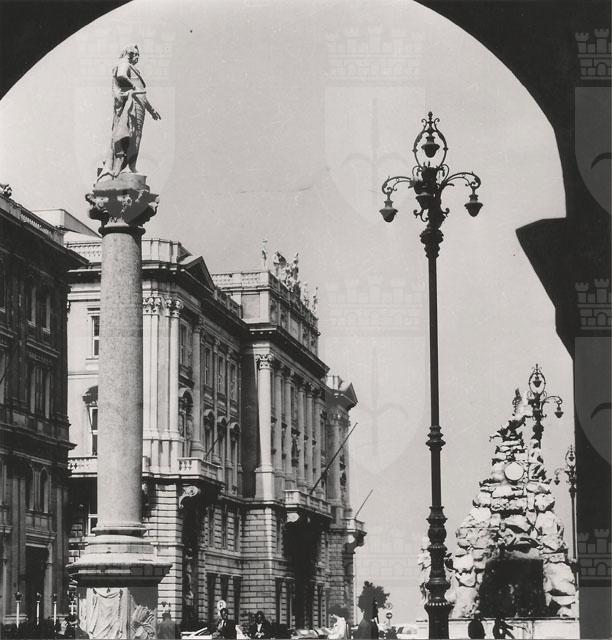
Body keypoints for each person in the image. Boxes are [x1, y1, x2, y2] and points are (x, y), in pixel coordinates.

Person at [98, 44, 161, 182]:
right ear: (131, 54)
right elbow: (121, 75)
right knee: (133, 134)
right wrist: (133, 87)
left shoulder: (132, 67)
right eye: (137, 55)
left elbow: (141, 93)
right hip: (134, 103)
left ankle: (131, 167)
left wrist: (152, 110)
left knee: (136, 134)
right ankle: (128, 167)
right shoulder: (125, 63)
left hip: (139, 102)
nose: (138, 58)